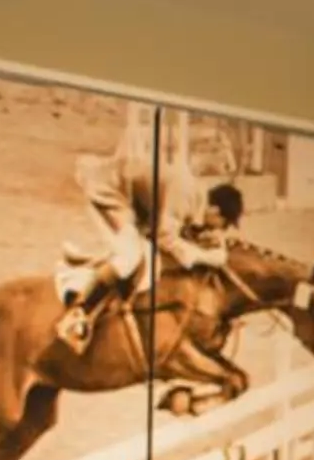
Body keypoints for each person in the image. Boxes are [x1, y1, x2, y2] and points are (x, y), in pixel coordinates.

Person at [54, 111, 241, 348]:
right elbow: (166, 237)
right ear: (214, 210)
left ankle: (91, 273)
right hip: (110, 190)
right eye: (222, 225)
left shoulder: (194, 197)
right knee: (130, 256)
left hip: (129, 196)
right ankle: (78, 312)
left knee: (141, 253)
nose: (218, 231)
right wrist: (207, 256)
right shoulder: (185, 194)